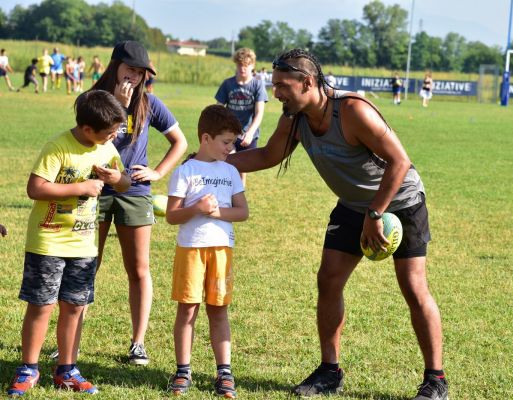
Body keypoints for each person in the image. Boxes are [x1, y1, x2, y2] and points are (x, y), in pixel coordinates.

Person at [227, 48, 448, 400]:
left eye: (283, 85)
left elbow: (400, 162)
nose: (277, 93)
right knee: (328, 280)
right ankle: (330, 371)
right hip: (352, 205)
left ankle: (435, 379)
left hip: (399, 202)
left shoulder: (352, 111)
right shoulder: (295, 117)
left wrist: (375, 214)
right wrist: (217, 162)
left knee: (413, 286)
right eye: (274, 85)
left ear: (308, 82)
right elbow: (270, 155)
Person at [6, 90, 131, 397]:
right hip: (48, 242)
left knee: (75, 307)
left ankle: (67, 369)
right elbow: (35, 188)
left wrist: (116, 178)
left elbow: (126, 183)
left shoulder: (107, 148)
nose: (114, 136)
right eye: (109, 132)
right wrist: (81, 187)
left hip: (84, 246)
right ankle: (28, 368)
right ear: (87, 129)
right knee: (41, 306)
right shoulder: (58, 147)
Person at [91, 40, 188, 365]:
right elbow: (87, 142)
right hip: (95, 190)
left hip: (135, 193)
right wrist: (116, 106)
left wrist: (157, 171)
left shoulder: (149, 103)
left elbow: (180, 141)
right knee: (87, 265)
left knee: (139, 269)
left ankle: (138, 343)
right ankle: (71, 340)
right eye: (130, 68)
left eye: (140, 71)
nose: (134, 76)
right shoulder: (92, 99)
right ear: (114, 65)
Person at [165, 105, 248, 398]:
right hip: (191, 249)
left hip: (222, 249)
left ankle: (224, 372)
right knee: (188, 309)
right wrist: (196, 208)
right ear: (205, 138)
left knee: (219, 310)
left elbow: (242, 212)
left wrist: (215, 213)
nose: (231, 148)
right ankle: (183, 370)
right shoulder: (185, 172)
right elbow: (171, 216)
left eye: (233, 142)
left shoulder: (231, 171)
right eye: (226, 142)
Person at [215, 47, 268, 187]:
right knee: (229, 163)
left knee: (242, 169)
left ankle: (239, 195)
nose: (242, 68)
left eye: (246, 65)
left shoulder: (257, 85)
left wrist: (250, 133)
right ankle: (226, 193)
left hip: (248, 135)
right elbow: (218, 108)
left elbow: (259, 112)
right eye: (240, 64)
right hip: (229, 133)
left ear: (252, 65)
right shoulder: (228, 84)